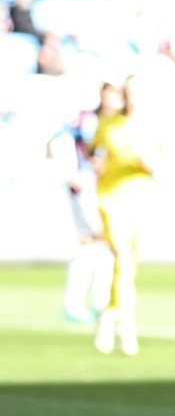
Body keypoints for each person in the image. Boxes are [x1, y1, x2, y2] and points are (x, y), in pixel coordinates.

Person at [91, 75, 159, 357]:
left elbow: (156, 162)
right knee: (123, 258)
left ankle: (109, 315)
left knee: (130, 262)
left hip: (139, 198)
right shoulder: (109, 126)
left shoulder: (144, 125)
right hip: (112, 200)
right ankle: (127, 327)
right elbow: (96, 152)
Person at [47, 85, 118, 324]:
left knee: (104, 244)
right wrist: (69, 173)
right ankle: (77, 303)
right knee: (93, 241)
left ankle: (99, 301)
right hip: (85, 185)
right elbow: (58, 142)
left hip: (103, 187)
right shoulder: (87, 120)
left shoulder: (113, 123)